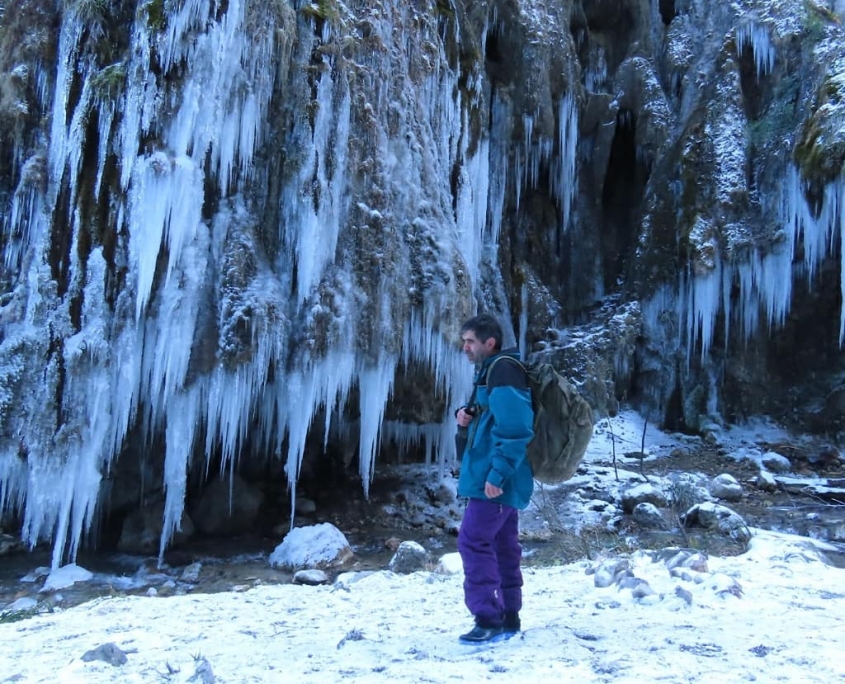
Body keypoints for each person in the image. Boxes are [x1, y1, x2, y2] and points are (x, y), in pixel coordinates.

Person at [455, 313, 534, 644]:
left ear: (490, 342)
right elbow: (490, 423)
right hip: (493, 475)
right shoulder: (492, 372)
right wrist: (465, 420)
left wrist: (498, 473)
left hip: (497, 478)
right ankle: (508, 616)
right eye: (464, 342)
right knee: (502, 545)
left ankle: (488, 618)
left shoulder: (502, 370)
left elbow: (515, 429)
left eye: (470, 341)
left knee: (472, 540)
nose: (465, 348)